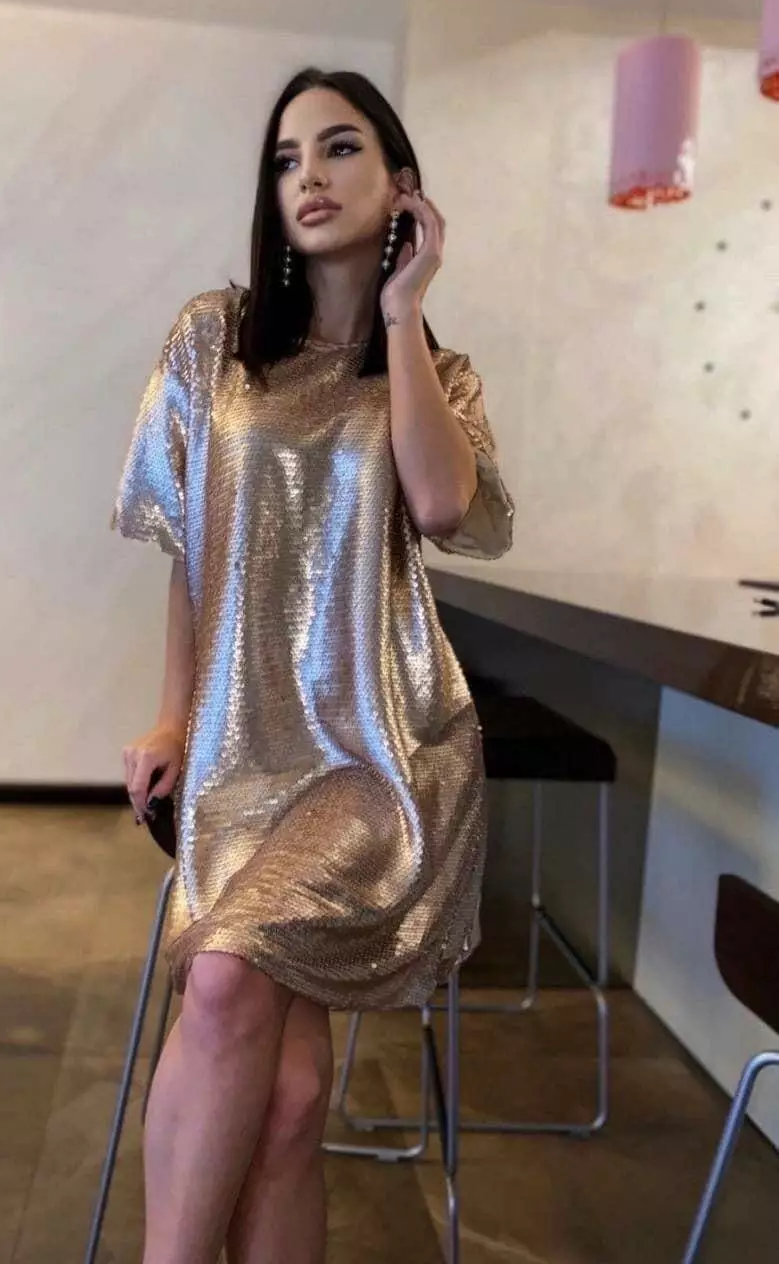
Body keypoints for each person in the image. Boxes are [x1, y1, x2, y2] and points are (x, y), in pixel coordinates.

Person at [111, 66, 514, 1264]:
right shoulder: (216, 341)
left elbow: (442, 506)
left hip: (374, 754)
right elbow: (191, 554)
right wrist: (173, 718)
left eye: (340, 149)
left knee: (222, 983)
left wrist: (403, 311)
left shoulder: (434, 374)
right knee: (288, 1099)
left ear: (401, 185)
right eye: (287, 159)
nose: (309, 178)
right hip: (236, 754)